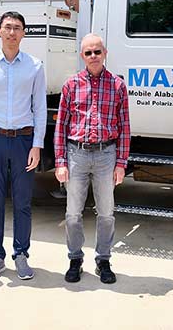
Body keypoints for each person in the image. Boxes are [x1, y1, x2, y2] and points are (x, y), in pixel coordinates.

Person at [0, 11, 47, 282]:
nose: (12, 32)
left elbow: (40, 108)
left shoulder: (35, 66)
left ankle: (21, 254)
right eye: (7, 27)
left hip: (24, 141)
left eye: (17, 28)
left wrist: (37, 145)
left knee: (23, 202)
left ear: (24, 32)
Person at [54, 33, 130, 284]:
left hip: (106, 155)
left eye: (97, 51)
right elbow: (61, 126)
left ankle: (103, 260)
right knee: (73, 213)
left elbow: (125, 127)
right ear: (82, 56)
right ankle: (75, 259)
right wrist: (60, 161)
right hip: (76, 153)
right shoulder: (71, 85)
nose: (93, 56)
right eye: (88, 52)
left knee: (106, 212)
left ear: (105, 53)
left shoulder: (118, 86)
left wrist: (121, 163)